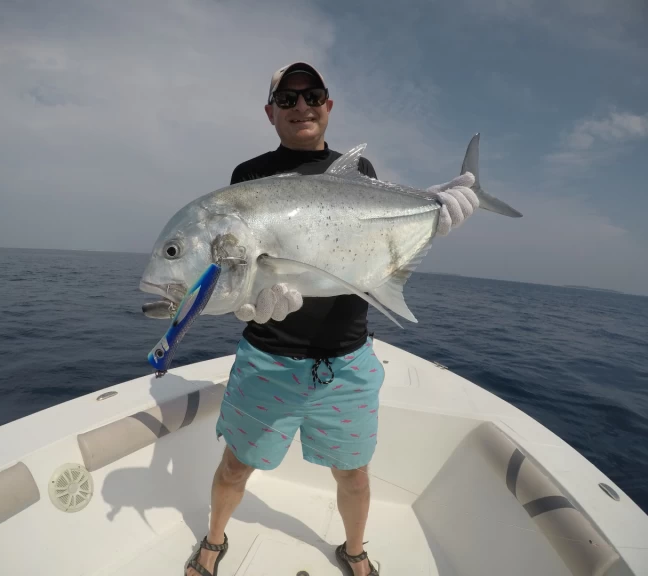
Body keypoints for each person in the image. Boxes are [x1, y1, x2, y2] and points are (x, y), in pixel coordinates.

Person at [185, 62, 478, 576]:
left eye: (313, 95)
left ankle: (354, 550)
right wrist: (244, 302)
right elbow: (237, 268)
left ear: (328, 105)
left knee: (355, 474)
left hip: (347, 362)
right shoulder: (249, 177)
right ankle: (214, 540)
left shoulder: (358, 170)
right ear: (270, 112)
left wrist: (430, 214)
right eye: (288, 98)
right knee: (235, 465)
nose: (302, 106)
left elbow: (374, 247)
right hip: (268, 360)